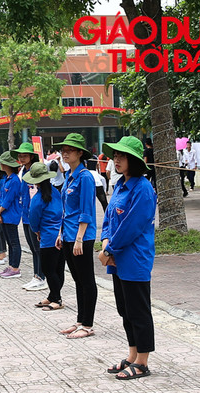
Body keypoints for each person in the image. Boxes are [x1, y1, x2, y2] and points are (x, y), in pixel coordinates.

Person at [98, 136, 157, 380]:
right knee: (125, 310)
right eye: (115, 156)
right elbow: (109, 219)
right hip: (116, 258)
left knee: (138, 310)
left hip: (134, 258)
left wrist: (109, 250)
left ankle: (142, 362)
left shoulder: (143, 188)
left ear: (134, 160)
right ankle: (132, 355)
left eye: (122, 156)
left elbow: (131, 226)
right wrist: (104, 243)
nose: (117, 160)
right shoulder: (121, 185)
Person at [56, 133, 98, 339]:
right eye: (63, 150)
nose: (65, 153)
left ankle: (88, 324)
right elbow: (66, 210)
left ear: (80, 153)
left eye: (70, 150)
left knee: (87, 280)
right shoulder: (69, 177)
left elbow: (86, 210)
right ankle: (80, 320)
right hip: (68, 235)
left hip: (81, 237)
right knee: (78, 280)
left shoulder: (86, 177)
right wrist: (60, 233)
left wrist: (80, 237)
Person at [25, 163, 65, 311]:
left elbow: (33, 219)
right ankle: (53, 296)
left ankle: (58, 299)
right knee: (58, 268)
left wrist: (37, 232)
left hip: (48, 238)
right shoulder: (56, 192)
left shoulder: (37, 198)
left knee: (48, 269)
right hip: (61, 235)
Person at [15, 142, 47, 291]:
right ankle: (36, 275)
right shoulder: (23, 171)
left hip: (34, 214)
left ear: (32, 156)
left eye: (24, 155)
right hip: (26, 214)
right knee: (33, 247)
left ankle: (42, 277)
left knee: (38, 248)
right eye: (20, 156)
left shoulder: (36, 171)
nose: (22, 158)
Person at [0, 151, 24, 279]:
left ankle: (15, 267)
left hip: (11, 215)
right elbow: (1, 197)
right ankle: (11, 265)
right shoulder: (6, 179)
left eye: (2, 162)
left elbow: (9, 199)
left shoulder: (15, 180)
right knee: (9, 242)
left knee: (14, 242)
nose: (0, 164)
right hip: (4, 214)